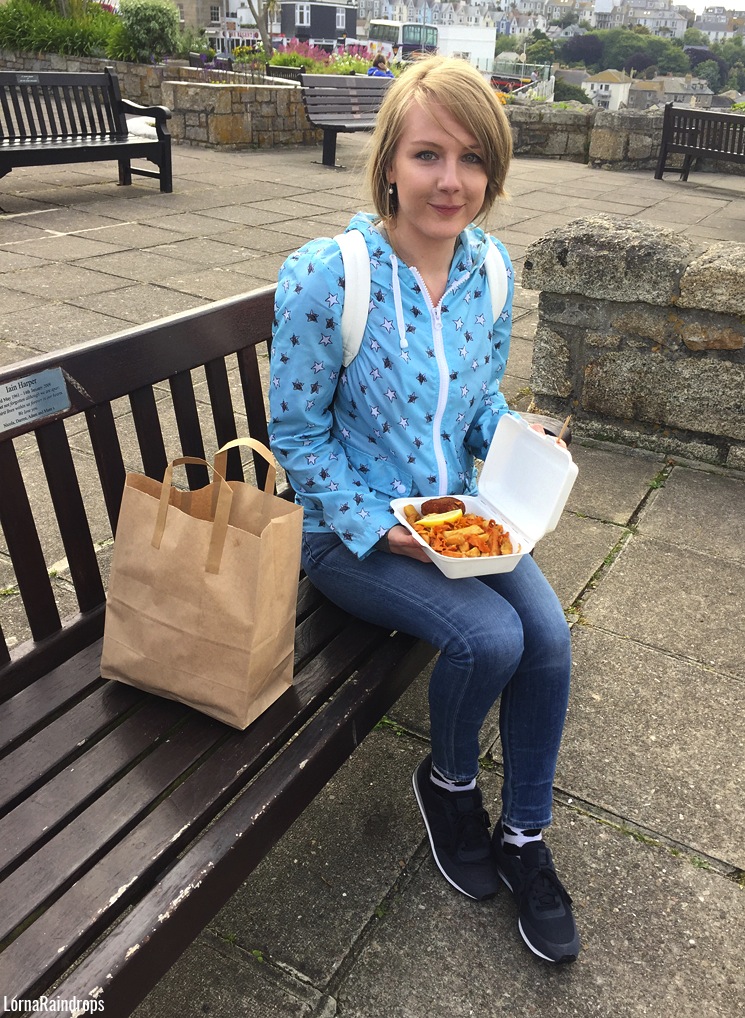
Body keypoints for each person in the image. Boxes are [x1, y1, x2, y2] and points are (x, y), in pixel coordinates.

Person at [269, 56, 580, 964]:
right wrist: (381, 531)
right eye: (428, 155)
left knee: (548, 638)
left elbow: (477, 403)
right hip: (349, 535)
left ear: (493, 173)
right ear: (391, 167)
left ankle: (524, 836)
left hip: (455, 521)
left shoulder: (488, 271)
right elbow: (296, 433)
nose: (452, 182)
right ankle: (448, 785)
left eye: (473, 159)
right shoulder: (331, 276)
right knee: (491, 641)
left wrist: (519, 437)